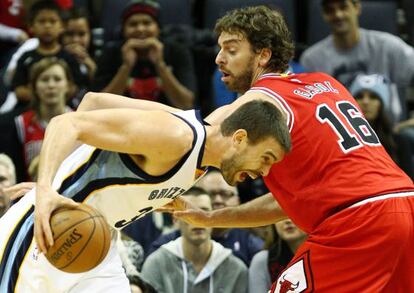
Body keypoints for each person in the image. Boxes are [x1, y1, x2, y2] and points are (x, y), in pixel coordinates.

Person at [161, 6, 414, 292]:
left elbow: (195, 136)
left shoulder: (263, 97)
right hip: (404, 205)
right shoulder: (327, 83)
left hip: (358, 221)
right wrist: (210, 218)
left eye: (231, 50)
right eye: (220, 49)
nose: (219, 59)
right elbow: (287, 203)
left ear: (263, 55)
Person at [0, 92, 289, 292]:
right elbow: (68, 122)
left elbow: (93, 102)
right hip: (46, 235)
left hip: (98, 246)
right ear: (239, 139)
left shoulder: (198, 146)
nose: (264, 172)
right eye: (265, 158)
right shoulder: (176, 136)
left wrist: (63, 173)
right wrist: (47, 185)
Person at [300, 0, 414, 122]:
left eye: (343, 7)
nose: (338, 15)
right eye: (330, 10)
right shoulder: (311, 60)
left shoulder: (388, 46)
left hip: (389, 134)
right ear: (324, 15)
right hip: (338, 135)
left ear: (357, 8)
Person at [141, 187, 248, 293]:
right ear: (175, 219)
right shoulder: (156, 263)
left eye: (204, 212)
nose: (197, 220)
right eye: (188, 213)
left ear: (213, 217)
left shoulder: (236, 269)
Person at [147, 169, 264, 265]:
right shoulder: (164, 248)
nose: (218, 201)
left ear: (238, 201)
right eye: (210, 194)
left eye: (226, 194)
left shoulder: (253, 246)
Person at [93, 0, 195, 109]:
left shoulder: (177, 51)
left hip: (167, 120)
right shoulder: (110, 53)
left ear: (158, 28)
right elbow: (100, 107)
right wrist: (126, 67)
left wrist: (160, 65)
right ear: (123, 30)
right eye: (133, 24)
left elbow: (186, 104)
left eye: (147, 23)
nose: (140, 29)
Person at [10, 0, 88, 109]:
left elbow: (76, 87)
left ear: (62, 26)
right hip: (29, 110)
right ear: (31, 26)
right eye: (42, 21)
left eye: (52, 21)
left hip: (62, 109)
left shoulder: (69, 57)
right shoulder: (26, 57)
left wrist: (55, 97)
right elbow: (18, 89)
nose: (47, 26)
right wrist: (43, 97)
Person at [13, 57, 74, 178]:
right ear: (34, 87)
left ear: (68, 85)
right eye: (44, 80)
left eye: (57, 79)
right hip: (31, 192)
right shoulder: (21, 123)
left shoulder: (79, 120)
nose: (51, 85)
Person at [248, 219, 306, 293]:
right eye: (281, 216)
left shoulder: (323, 258)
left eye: (293, 214)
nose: (287, 221)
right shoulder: (262, 260)